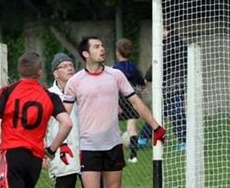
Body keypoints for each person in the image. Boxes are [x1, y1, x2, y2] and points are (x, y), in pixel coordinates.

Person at [62, 36, 166, 188]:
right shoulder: (75, 81)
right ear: (85, 54)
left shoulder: (116, 75)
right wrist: (62, 143)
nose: (102, 49)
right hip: (89, 147)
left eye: (102, 46)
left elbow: (136, 102)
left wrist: (156, 127)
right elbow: (65, 115)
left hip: (113, 146)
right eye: (96, 47)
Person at [0, 51, 72, 188]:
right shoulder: (50, 96)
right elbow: (67, 123)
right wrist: (51, 151)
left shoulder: (7, 91)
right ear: (39, 72)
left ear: (19, 70)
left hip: (12, 154)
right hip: (35, 159)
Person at [139, 27, 187, 151]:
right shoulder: (178, 42)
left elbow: (160, 62)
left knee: (175, 112)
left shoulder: (171, 43)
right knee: (160, 112)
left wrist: (147, 77)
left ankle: (184, 140)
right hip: (174, 84)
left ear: (165, 29)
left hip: (172, 85)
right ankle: (143, 138)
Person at [45, 53, 83, 188]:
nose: (69, 68)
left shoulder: (83, 91)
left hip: (85, 149)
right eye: (64, 66)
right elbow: (45, 127)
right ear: (56, 73)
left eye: (71, 65)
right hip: (62, 152)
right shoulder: (49, 95)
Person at [113, 38, 146, 163]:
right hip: (131, 98)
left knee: (114, 129)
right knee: (132, 128)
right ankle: (133, 156)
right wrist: (141, 87)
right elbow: (141, 84)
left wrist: (115, 103)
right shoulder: (133, 68)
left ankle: (118, 156)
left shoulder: (115, 68)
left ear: (117, 52)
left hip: (118, 100)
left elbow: (112, 87)